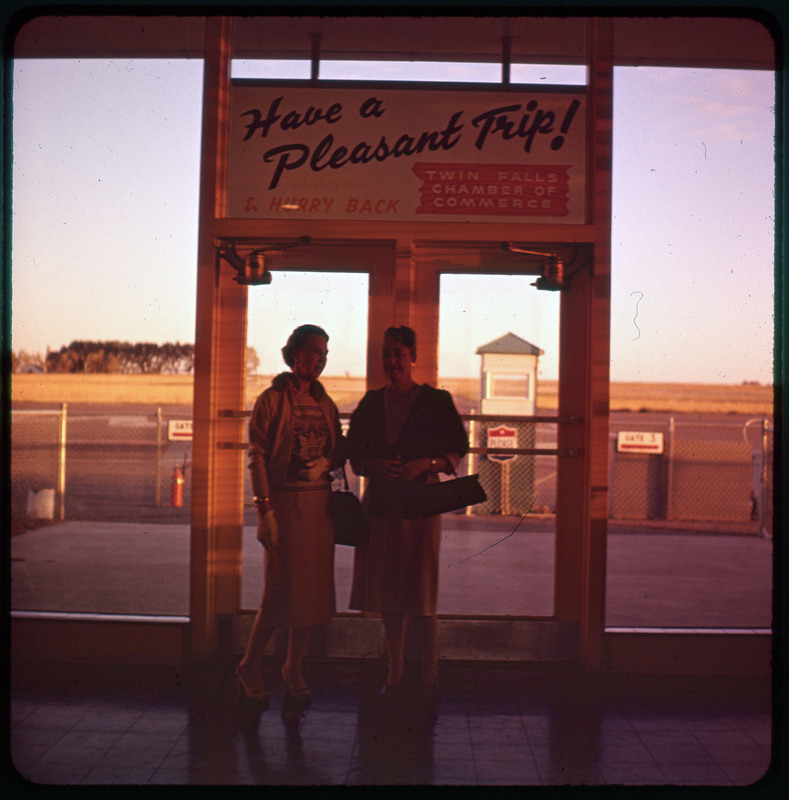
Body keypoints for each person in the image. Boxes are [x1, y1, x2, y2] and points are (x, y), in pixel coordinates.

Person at [347, 325, 469, 697]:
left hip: (421, 506)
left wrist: (425, 465)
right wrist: (375, 467)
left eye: (399, 353)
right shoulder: (370, 403)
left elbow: (457, 451)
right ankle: (396, 663)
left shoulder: (436, 401)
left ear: (413, 357)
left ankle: (429, 664)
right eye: (387, 354)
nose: (392, 361)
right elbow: (356, 459)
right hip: (382, 505)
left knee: (421, 585)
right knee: (387, 588)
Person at [236, 324, 344, 711]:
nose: (320, 358)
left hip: (318, 510)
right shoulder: (271, 400)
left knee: (311, 595)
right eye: (314, 350)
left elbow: (339, 450)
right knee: (280, 591)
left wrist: (324, 465)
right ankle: (249, 665)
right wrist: (264, 511)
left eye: (325, 352)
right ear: (294, 353)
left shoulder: (325, 402)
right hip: (284, 507)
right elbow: (257, 457)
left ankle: (292, 668)